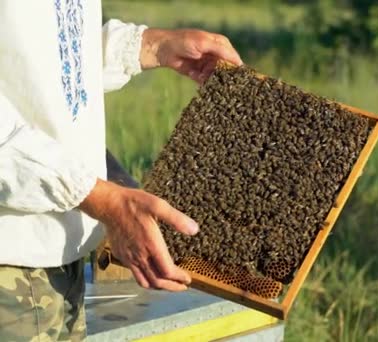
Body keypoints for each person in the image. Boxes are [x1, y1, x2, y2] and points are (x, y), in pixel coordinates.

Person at [0, 1, 243, 340]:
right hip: (10, 262)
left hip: (60, 249)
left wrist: (151, 46)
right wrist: (103, 199)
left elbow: (42, 54)